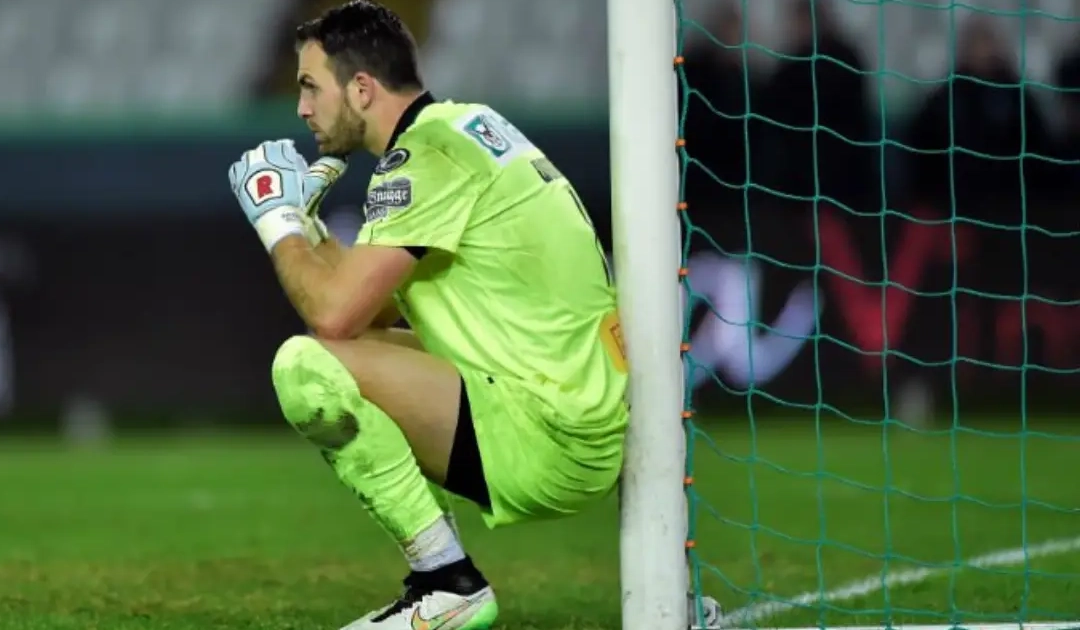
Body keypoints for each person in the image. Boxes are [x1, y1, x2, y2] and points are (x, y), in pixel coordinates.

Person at [226, 2, 719, 628]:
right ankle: (665, 591)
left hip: (545, 436)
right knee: (336, 356)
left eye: (310, 87)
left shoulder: (425, 159)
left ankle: (446, 582)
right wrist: (311, 228)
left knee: (305, 367)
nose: (301, 108)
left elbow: (333, 316)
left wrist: (277, 223)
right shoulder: (462, 129)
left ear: (361, 89)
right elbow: (366, 316)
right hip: (580, 413)